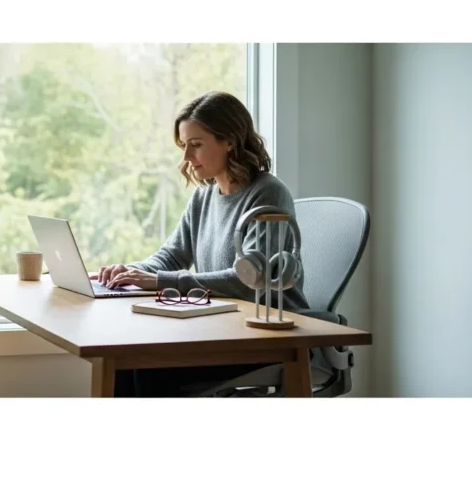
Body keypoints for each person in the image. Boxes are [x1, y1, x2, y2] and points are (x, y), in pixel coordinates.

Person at [90, 91, 310, 397]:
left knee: (146, 368)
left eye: (196, 145)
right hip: (223, 328)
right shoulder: (205, 195)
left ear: (230, 141)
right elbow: (172, 255)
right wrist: (128, 272)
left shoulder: (268, 195)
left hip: (267, 335)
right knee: (123, 363)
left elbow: (249, 282)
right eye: (184, 146)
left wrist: (159, 281)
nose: (187, 158)